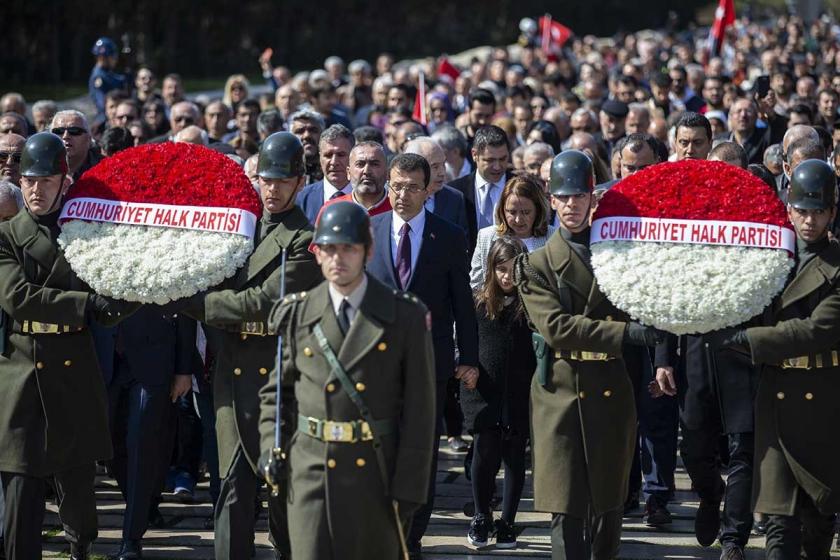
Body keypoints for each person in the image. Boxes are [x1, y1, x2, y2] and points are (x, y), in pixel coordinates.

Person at [258, 201, 436, 560]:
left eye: (348, 248)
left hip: (376, 474)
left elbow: (421, 413)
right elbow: (276, 394)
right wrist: (269, 449)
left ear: (367, 251)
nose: (338, 259)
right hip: (310, 473)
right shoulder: (299, 311)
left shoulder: (403, 316)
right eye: (329, 249)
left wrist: (410, 489)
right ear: (317, 253)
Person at [514, 149, 662, 559]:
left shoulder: (618, 255)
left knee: (609, 503)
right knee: (566, 506)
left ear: (593, 197)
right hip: (560, 392)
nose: (572, 205)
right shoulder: (536, 264)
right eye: (563, 196)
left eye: (580, 196)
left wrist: (662, 353)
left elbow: (654, 305)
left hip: (611, 387)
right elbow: (559, 329)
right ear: (550, 197)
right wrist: (627, 333)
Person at [186, 132, 321, 560]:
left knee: (282, 492)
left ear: (300, 182)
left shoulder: (304, 238)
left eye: (283, 180)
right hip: (231, 370)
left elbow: (262, 304)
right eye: (266, 179)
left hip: (280, 378)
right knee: (232, 487)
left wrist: (194, 303)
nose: (273, 188)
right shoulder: (238, 225)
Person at [0, 132, 134, 560]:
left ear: (65, 180)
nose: (35, 190)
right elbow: (19, 297)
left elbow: (109, 302)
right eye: (28, 181)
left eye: (45, 180)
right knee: (21, 498)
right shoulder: (6, 236)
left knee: (79, 499)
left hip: (74, 369)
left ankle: (79, 548)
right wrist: (86, 304)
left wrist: (130, 296)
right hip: (21, 374)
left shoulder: (87, 233)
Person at [712, 159, 840, 560]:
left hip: (821, 399)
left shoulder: (837, 263)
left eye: (818, 211)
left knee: (817, 524)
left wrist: (748, 340)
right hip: (775, 397)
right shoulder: (772, 255)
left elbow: (818, 331)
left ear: (832, 213)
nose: (809, 219)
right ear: (788, 207)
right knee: (779, 529)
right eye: (802, 210)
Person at [366, 153, 479, 558]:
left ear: (428, 190)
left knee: (421, 454)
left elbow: (462, 304)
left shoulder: (447, 235)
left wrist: (468, 356)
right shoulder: (370, 229)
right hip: (376, 369)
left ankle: (412, 536)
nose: (402, 194)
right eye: (396, 185)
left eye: (413, 187)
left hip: (429, 367)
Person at [92, 306, 195, 560]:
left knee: (141, 442)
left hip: (154, 355)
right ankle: (144, 503)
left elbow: (186, 305)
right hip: (105, 355)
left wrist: (184, 369)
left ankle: (131, 540)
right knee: (110, 446)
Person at [462, 236, 534, 549]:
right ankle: (481, 515)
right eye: (500, 269)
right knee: (484, 452)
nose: (506, 276)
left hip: (519, 391)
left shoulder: (531, 306)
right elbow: (465, 342)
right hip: (483, 391)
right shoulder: (478, 303)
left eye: (513, 270)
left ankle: (508, 520)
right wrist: (464, 368)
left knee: (515, 456)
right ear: (491, 270)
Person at [470, 175, 555, 289]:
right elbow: (476, 286)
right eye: (512, 212)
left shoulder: (553, 237)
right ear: (502, 211)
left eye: (526, 212)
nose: (518, 220)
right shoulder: (487, 237)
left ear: (538, 211)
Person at [450, 125, 511, 255]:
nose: (497, 167)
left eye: (503, 159)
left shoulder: (521, 187)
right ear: (475, 155)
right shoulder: (454, 191)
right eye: (490, 160)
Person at [403, 136, 468, 235]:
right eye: (435, 166)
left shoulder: (455, 198)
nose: (442, 173)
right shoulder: (394, 195)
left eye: (443, 164)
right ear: (414, 168)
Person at [296, 124, 355, 224]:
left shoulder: (367, 197)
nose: (334, 162)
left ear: (353, 156)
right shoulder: (301, 199)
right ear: (320, 157)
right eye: (328, 155)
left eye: (341, 155)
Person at [49, 110, 102, 181]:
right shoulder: (38, 168)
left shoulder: (105, 167)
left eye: (74, 131)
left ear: (89, 139)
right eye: (58, 131)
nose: (65, 136)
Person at [89, 37, 127, 120]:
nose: (115, 60)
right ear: (103, 57)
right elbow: (102, 104)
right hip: (106, 119)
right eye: (113, 57)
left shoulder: (106, 73)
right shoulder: (98, 77)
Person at [288, 110, 325, 184]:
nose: (307, 136)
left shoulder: (332, 168)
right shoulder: (285, 170)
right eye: (300, 131)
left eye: (313, 130)